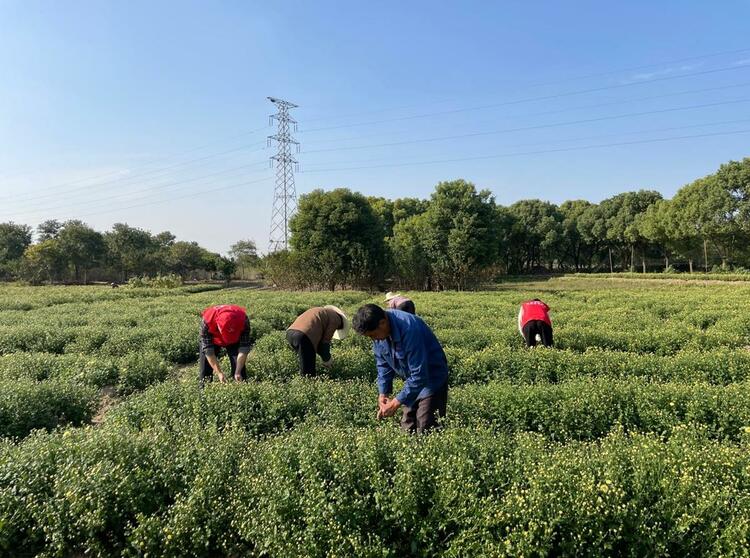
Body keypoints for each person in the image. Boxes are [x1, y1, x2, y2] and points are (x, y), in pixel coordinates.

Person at [353, 304, 448, 434]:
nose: (374, 339)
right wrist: (383, 393)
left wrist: (395, 403)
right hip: (412, 380)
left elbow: (420, 374)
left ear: (382, 323)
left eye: (373, 335)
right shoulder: (379, 332)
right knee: (407, 424)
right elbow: (383, 364)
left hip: (432, 378)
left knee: (426, 424)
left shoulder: (410, 328)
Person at [286, 305, 350, 376]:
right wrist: (327, 360)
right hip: (304, 336)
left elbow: (318, 345)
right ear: (341, 324)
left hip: (290, 333)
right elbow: (324, 342)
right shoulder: (336, 320)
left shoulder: (322, 311)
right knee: (308, 374)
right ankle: (307, 384)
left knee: (304, 362)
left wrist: (325, 356)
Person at [199, 304, 251, 386]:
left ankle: (240, 389)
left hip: (235, 339)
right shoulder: (207, 321)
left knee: (240, 370)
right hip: (213, 339)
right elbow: (209, 351)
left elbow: (244, 349)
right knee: (205, 368)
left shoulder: (243, 320)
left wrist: (237, 372)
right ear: (218, 326)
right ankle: (204, 392)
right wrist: (219, 373)